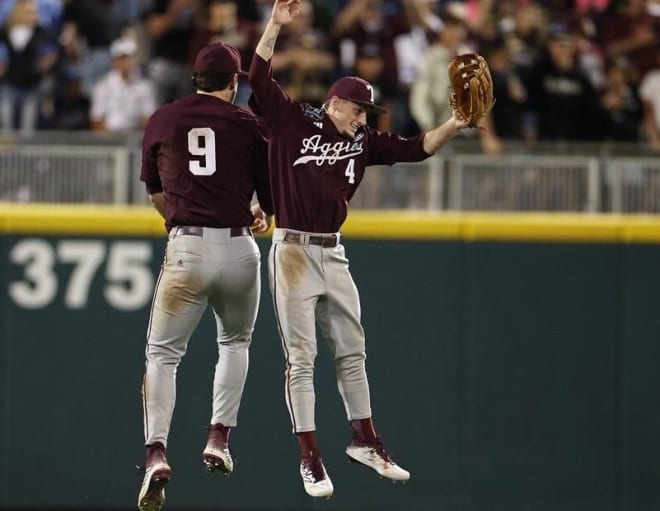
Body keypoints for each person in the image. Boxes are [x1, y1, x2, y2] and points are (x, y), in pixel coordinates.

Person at [248, 0, 469, 499]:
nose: (365, 117)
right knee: (301, 358)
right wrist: (274, 25)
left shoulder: (364, 140)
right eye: (360, 109)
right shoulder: (292, 120)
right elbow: (258, 76)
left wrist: (454, 123)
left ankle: (365, 440)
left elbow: (416, 148)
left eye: (369, 111)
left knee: (353, 353)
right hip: (294, 251)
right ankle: (309, 456)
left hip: (334, 252)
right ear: (335, 103)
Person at [137, 41, 274, 511]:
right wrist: (261, 213)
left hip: (188, 243)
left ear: (195, 78)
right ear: (233, 83)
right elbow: (269, 196)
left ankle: (156, 452)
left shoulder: (164, 118)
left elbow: (155, 192)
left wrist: (175, 220)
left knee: (163, 355)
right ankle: (219, 436)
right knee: (234, 344)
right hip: (239, 247)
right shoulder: (249, 123)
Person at [90, 36, 156, 132]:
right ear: (115, 60)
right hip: (109, 139)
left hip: (135, 139)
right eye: (124, 58)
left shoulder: (145, 87)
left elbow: (148, 118)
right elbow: (96, 120)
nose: (129, 62)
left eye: (131, 57)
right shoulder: (102, 87)